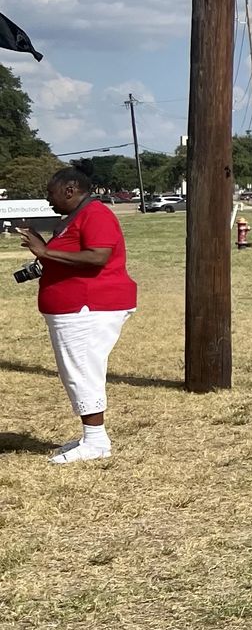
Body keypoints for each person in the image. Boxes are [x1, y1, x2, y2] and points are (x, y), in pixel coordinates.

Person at [20, 168, 137, 464]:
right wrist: (44, 253)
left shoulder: (96, 214)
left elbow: (98, 256)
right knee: (77, 371)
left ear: (70, 189)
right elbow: (70, 258)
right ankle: (92, 436)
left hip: (88, 306)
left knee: (82, 370)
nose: (48, 199)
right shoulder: (74, 217)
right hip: (74, 307)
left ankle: (96, 441)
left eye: (51, 192)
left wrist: (45, 253)